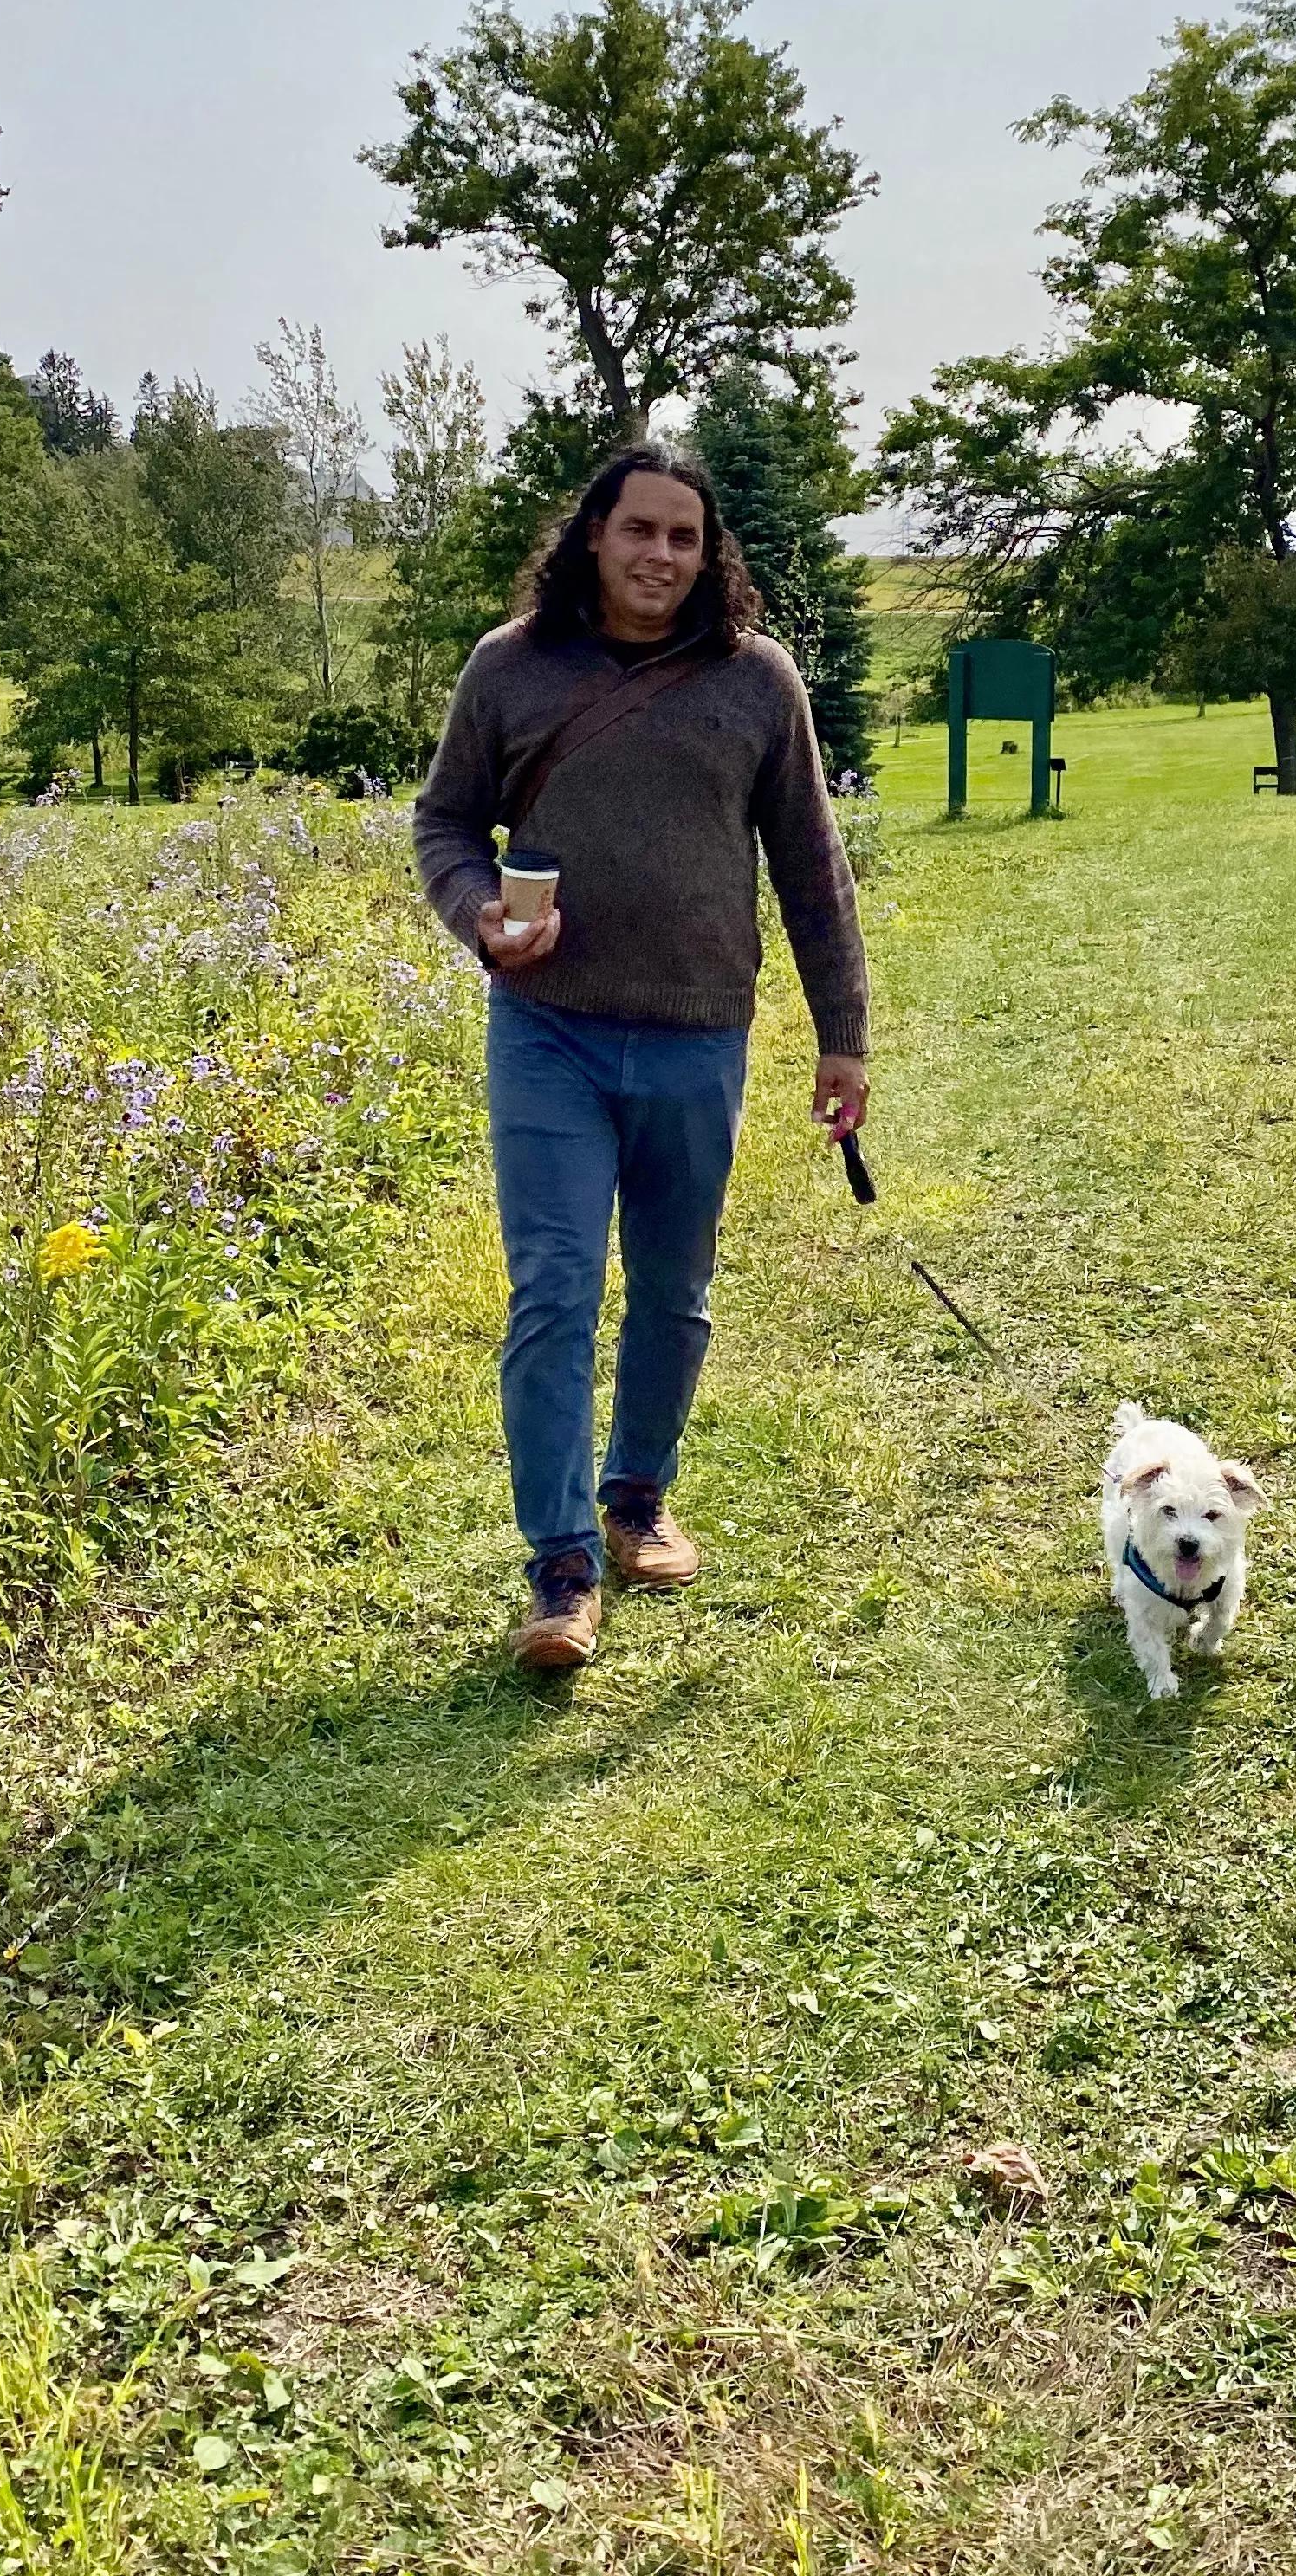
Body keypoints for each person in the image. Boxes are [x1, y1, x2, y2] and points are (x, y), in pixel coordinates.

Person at [413, 441, 872, 1671]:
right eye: (639, 531)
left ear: (706, 553)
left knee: (674, 1288)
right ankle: (560, 1566)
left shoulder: (756, 683)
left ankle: (637, 1500)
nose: (661, 555)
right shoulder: (508, 670)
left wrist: (845, 1035)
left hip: (698, 1034)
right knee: (554, 1288)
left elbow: (813, 870)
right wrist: (481, 920)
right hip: (548, 1029)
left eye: (685, 536)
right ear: (593, 539)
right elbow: (445, 823)